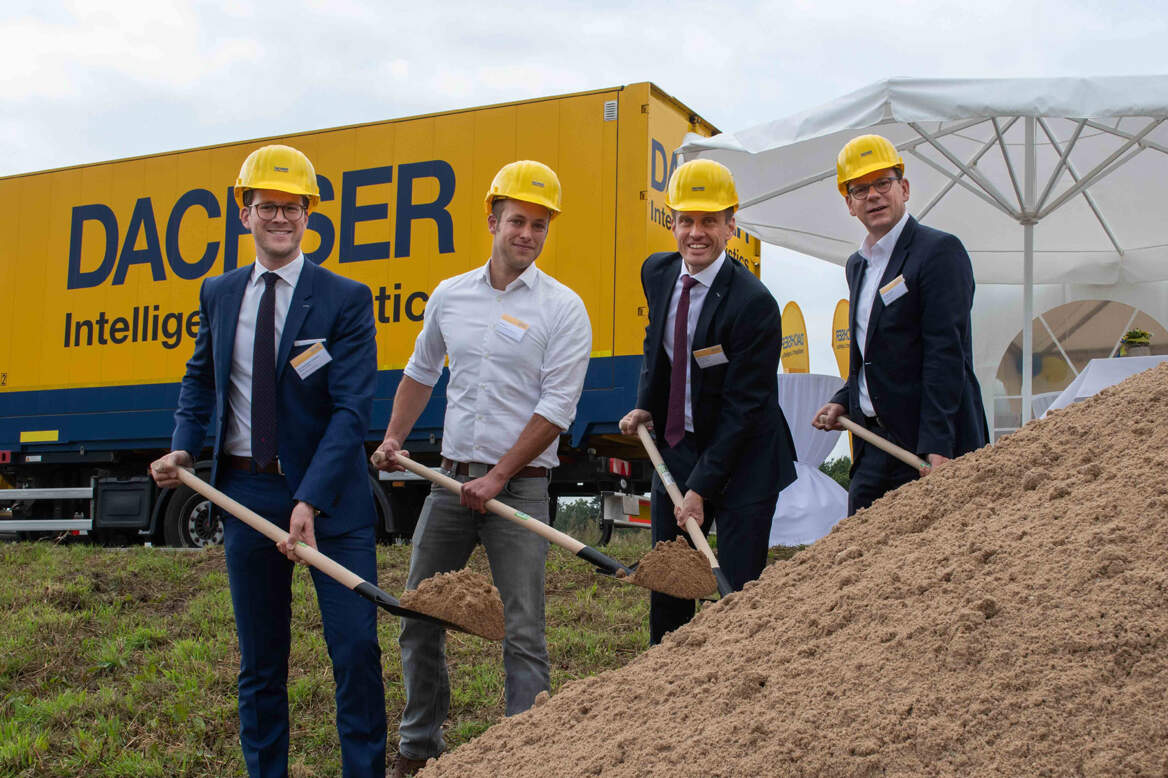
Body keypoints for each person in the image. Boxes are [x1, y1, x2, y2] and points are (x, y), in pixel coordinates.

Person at [149, 145, 386, 778]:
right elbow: (200, 381)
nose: (280, 218)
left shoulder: (344, 298)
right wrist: (183, 444)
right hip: (246, 497)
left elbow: (351, 411)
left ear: (309, 214)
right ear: (244, 213)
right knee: (260, 660)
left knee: (356, 647)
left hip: (331, 502)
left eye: (293, 207)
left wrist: (308, 498)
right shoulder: (219, 293)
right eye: (267, 207)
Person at [372, 160, 591, 777]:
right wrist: (394, 437)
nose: (527, 233)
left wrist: (497, 478)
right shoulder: (450, 295)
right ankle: (418, 748)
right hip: (448, 483)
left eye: (540, 225)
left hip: (519, 491)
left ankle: (524, 756)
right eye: (518, 220)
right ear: (492, 220)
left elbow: (557, 409)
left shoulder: (564, 309)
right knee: (418, 613)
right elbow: (421, 371)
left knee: (523, 629)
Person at [618, 159, 797, 645]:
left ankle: (737, 683)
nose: (696, 233)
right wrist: (646, 404)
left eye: (710, 221)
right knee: (670, 582)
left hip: (745, 459)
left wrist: (700, 489)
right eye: (686, 221)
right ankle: (666, 684)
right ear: (672, 222)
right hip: (678, 447)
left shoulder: (753, 304)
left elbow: (745, 408)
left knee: (736, 592)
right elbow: (657, 343)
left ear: (731, 225)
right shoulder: (656, 273)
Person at [812, 134, 988, 515]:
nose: (873, 195)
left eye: (882, 183)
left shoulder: (939, 252)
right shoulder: (857, 266)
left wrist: (939, 447)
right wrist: (843, 400)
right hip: (873, 445)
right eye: (860, 189)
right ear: (849, 203)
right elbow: (872, 353)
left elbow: (946, 354)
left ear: (904, 188)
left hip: (928, 447)